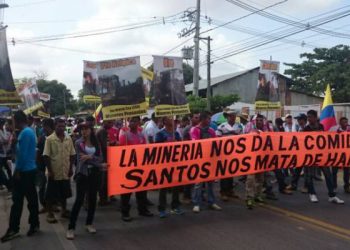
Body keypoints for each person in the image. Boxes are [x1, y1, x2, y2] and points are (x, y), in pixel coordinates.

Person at [1, 111, 39, 243]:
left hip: (24, 172)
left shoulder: (26, 133)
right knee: (30, 200)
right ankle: (33, 224)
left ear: (17, 121)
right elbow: (19, 151)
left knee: (19, 202)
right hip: (28, 170)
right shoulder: (26, 132)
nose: (12, 124)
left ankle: (15, 228)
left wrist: (16, 171)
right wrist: (15, 143)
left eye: (13, 121)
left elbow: (22, 156)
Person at [66, 123, 105, 240]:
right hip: (83, 174)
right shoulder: (78, 143)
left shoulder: (96, 142)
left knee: (93, 199)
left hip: (95, 175)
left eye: (86, 129)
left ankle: (89, 223)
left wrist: (90, 157)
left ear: (90, 130)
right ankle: (71, 228)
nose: (84, 131)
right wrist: (98, 163)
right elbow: (82, 160)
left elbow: (101, 157)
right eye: (82, 129)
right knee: (79, 201)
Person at [303, 110, 344, 204]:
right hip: (310, 156)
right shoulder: (306, 129)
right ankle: (312, 193)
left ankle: (332, 195)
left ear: (315, 117)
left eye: (310, 117)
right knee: (309, 176)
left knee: (328, 175)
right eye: (308, 117)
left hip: (322, 156)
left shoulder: (321, 126)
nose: (309, 119)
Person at [118, 117, 153, 222]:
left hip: (141, 165)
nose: (131, 123)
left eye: (134, 121)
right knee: (126, 191)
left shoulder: (142, 133)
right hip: (128, 167)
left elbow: (147, 146)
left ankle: (142, 209)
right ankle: (125, 212)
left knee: (142, 190)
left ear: (138, 122)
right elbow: (121, 150)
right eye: (130, 121)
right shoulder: (125, 134)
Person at [44, 118, 76, 223]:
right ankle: (50, 214)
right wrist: (50, 171)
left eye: (63, 126)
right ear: (55, 126)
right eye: (59, 126)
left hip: (65, 170)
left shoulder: (68, 139)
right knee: (51, 194)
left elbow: (72, 154)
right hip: (54, 171)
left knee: (64, 193)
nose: (61, 128)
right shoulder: (49, 139)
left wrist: (71, 168)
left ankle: (64, 210)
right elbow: (46, 156)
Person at [191, 111, 222, 213]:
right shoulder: (194, 130)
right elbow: (195, 144)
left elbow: (216, 143)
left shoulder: (212, 131)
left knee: (210, 183)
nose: (210, 120)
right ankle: (196, 203)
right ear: (203, 119)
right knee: (198, 183)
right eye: (208, 118)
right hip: (199, 161)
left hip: (210, 160)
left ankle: (211, 202)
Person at [155, 116, 184, 218]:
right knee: (163, 188)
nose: (172, 120)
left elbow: (182, 147)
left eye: (172, 118)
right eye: (169, 118)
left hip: (175, 163)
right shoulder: (160, 134)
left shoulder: (176, 133)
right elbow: (156, 148)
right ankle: (162, 209)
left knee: (176, 186)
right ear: (164, 121)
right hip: (164, 164)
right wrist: (167, 144)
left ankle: (175, 206)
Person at [216, 109, 243, 201]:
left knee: (232, 173)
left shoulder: (239, 127)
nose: (233, 117)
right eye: (231, 116)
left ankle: (230, 191)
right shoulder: (221, 127)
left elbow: (242, 140)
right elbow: (217, 141)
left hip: (234, 153)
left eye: (234, 116)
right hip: (224, 153)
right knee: (224, 174)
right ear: (227, 117)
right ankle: (223, 192)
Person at [244, 114, 267, 209]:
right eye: (257, 120)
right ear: (254, 122)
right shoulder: (250, 131)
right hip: (251, 159)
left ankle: (258, 195)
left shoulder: (266, 132)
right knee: (250, 179)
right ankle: (249, 197)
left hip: (261, 159)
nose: (259, 122)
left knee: (260, 179)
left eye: (261, 120)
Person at [36, 118, 55, 213]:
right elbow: (38, 152)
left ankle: (52, 204)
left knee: (52, 186)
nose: (43, 128)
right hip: (42, 166)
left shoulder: (56, 137)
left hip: (53, 165)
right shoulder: (42, 138)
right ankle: (44, 205)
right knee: (42, 186)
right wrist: (39, 166)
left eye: (44, 126)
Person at [289, 113, 308, 193]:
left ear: (304, 120)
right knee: (297, 170)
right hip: (300, 153)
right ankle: (294, 185)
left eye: (300, 119)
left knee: (307, 171)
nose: (298, 121)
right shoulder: (298, 128)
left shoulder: (308, 128)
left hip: (307, 153)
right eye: (298, 119)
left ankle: (306, 186)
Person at [96, 120, 113, 205]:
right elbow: (104, 146)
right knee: (104, 180)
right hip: (103, 159)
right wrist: (113, 144)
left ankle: (104, 198)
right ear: (105, 122)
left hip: (103, 158)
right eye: (110, 122)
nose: (111, 124)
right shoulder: (102, 131)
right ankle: (103, 199)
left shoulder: (102, 130)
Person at [331, 117, 350, 193]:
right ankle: (334, 185)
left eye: (346, 122)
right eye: (343, 122)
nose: (345, 123)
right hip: (337, 154)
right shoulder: (336, 131)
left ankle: (346, 186)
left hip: (347, 155)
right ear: (340, 123)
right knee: (334, 171)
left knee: (346, 171)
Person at [0, 118, 13, 193]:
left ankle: (11, 186)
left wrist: (6, 141)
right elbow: (5, 141)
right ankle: (8, 184)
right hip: (1, 154)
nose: (2, 125)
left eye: (3, 124)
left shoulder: (6, 131)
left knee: (9, 170)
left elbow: (8, 141)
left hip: (7, 153)